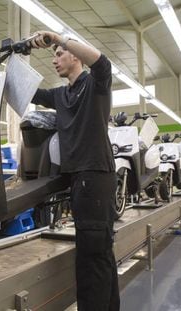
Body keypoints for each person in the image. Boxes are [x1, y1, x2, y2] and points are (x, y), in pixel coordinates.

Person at [30, 31, 119, 310]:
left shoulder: (95, 84)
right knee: (99, 252)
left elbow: (103, 64)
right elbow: (27, 92)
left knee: (92, 256)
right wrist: (20, 51)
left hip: (94, 175)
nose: (55, 60)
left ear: (75, 56)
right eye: (54, 54)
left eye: (59, 54)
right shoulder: (60, 94)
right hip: (80, 178)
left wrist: (59, 37)